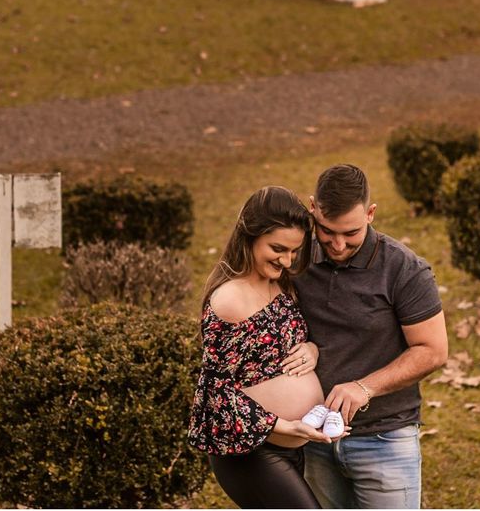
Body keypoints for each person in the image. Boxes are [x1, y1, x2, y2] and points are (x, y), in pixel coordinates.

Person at [296, 164, 449, 509]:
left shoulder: (405, 270)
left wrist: (364, 387)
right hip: (313, 437)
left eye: (350, 232)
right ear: (312, 210)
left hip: (385, 438)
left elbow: (433, 350)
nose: (337, 244)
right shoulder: (296, 260)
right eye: (326, 230)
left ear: (370, 213)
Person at [188, 186, 345, 509]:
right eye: (278, 248)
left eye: (294, 251)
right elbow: (215, 392)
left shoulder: (280, 284)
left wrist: (312, 350)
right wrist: (283, 425)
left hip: (291, 446)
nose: (287, 260)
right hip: (251, 450)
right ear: (250, 235)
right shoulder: (230, 299)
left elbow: (284, 346)